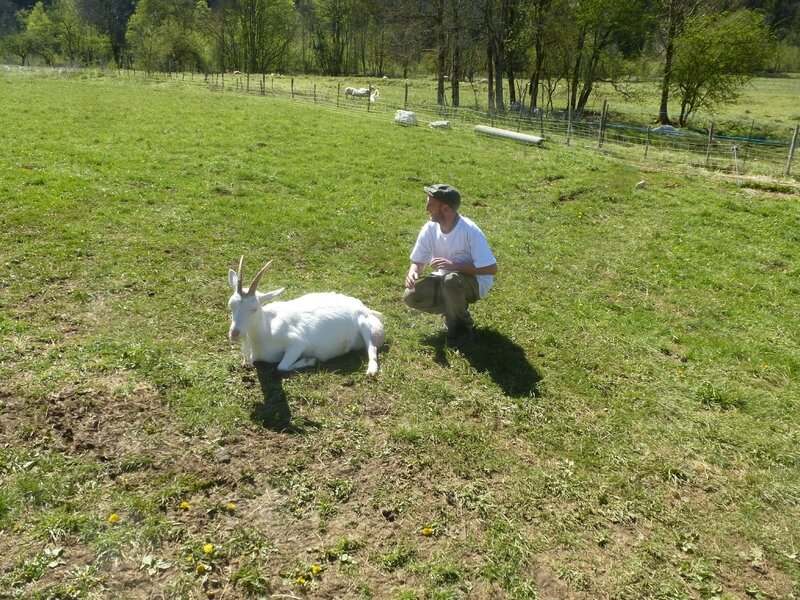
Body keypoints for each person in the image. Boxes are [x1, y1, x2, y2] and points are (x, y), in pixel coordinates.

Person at [403, 183, 498, 347]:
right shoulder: (430, 229)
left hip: (475, 282)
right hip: (447, 279)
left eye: (431, 205)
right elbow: (418, 260)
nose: (427, 208)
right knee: (411, 296)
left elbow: (491, 269)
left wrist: (455, 266)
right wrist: (413, 272)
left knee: (451, 280)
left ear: (445, 209)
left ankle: (463, 330)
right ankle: (454, 312)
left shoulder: (469, 230)